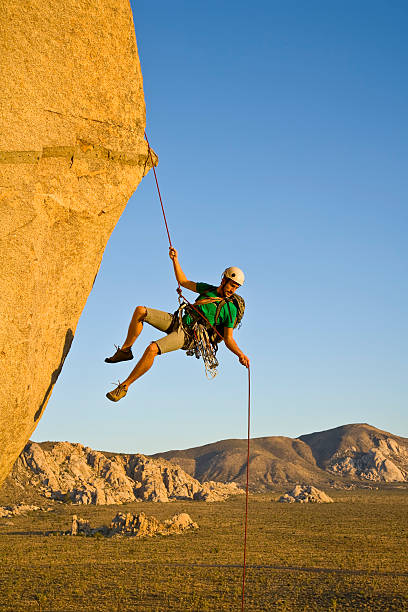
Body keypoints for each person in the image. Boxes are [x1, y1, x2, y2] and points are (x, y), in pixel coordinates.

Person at [105, 247, 249, 401]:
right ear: (224, 280)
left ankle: (125, 387)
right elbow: (183, 281)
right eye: (231, 285)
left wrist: (240, 354)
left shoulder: (230, 309)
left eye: (236, 287)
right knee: (140, 311)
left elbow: (228, 338)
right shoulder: (209, 289)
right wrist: (175, 260)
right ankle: (125, 351)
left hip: (188, 336)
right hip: (177, 320)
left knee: (152, 348)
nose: (233, 290)